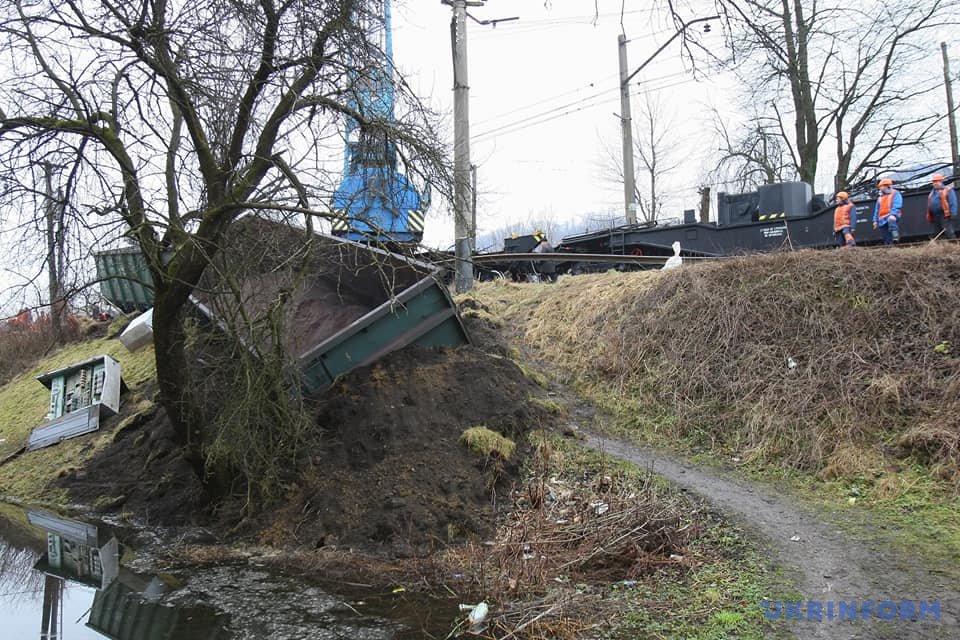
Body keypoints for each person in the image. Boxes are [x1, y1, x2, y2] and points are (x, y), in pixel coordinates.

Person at [872, 178, 903, 245]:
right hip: (882, 219)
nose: (880, 188)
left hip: (891, 216)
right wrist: (875, 220)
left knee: (891, 223)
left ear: (887, 186)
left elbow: (897, 204)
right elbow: (877, 210)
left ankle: (896, 237)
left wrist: (893, 214)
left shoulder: (895, 193)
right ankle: (889, 246)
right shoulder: (880, 198)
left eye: (881, 186)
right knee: (885, 235)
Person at [926, 173, 957, 240]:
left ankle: (953, 244)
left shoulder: (948, 190)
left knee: (948, 232)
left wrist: (953, 213)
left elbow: (953, 202)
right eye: (934, 182)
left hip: (944, 215)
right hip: (935, 216)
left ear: (941, 181)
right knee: (937, 233)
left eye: (937, 181)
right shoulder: (931, 193)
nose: (935, 183)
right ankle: (941, 247)